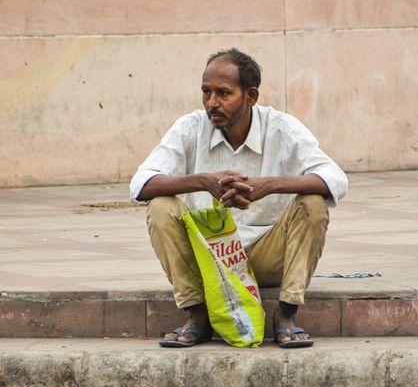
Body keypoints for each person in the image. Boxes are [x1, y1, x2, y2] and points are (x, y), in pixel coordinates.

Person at [130, 48, 348, 348]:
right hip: (209, 261)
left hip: (267, 255)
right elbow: (140, 184)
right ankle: (197, 315)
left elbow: (335, 178)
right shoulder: (190, 127)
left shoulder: (281, 127)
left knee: (312, 203)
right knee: (160, 206)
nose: (212, 103)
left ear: (251, 96)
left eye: (224, 93)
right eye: (206, 92)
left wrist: (268, 186)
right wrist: (202, 182)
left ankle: (286, 315)